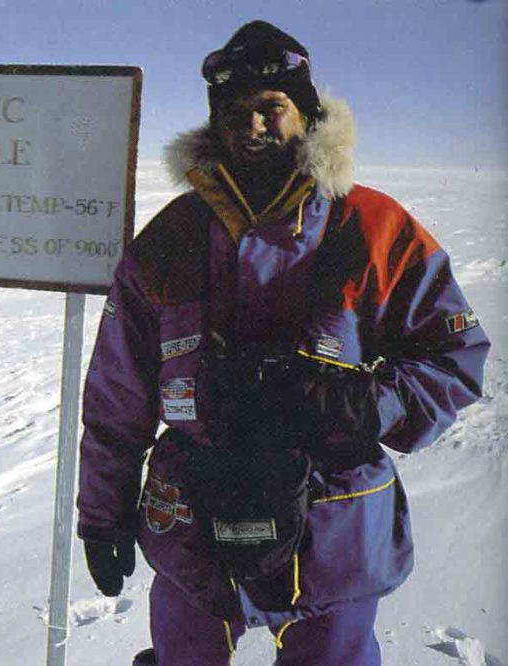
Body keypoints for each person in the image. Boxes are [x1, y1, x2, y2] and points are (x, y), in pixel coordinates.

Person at [76, 21, 489, 666]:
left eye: (272, 107)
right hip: (191, 521)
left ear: (307, 114)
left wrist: (361, 402)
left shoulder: (374, 227)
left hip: (333, 524)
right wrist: (102, 515)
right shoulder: (169, 241)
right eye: (235, 112)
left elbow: (456, 358)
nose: (253, 126)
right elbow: (115, 399)